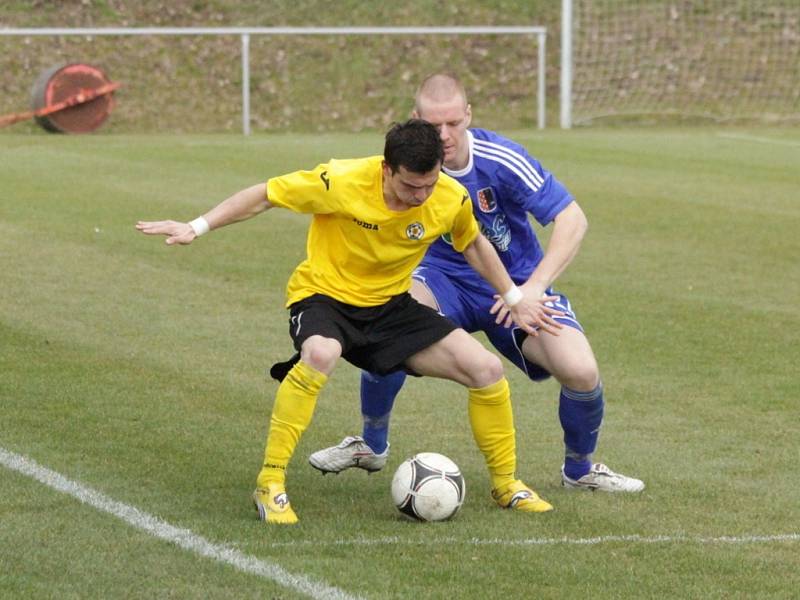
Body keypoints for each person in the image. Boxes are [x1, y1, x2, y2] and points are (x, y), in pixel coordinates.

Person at [136, 119, 566, 525]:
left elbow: (471, 242)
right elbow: (266, 194)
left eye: (429, 184)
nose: (421, 196)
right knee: (321, 352)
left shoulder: (448, 196)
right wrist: (198, 225)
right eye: (411, 186)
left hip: (390, 307)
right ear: (386, 169)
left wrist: (513, 296)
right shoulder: (340, 180)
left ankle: (507, 485)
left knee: (486, 369)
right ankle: (270, 483)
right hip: (324, 299)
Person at [310, 74, 645, 493]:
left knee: (580, 370)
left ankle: (579, 471)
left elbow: (573, 219)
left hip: (515, 286)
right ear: (415, 120)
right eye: (433, 126)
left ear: (469, 115)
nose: (445, 135)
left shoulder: (500, 159)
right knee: (387, 320)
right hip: (441, 278)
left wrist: (535, 288)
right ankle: (371, 444)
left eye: (454, 123)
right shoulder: (402, 166)